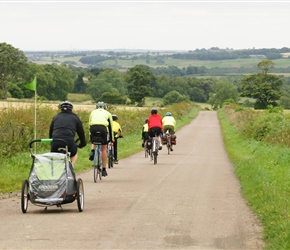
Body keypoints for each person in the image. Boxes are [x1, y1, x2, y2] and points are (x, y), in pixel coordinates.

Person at [49, 101, 87, 167]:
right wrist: (82, 143)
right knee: (74, 154)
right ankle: (71, 167)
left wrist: (51, 142)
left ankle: (55, 171)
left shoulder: (56, 117)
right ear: (71, 109)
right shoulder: (75, 117)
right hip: (69, 141)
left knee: (54, 156)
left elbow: (51, 132)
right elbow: (81, 133)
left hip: (56, 141)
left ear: (61, 109)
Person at [89, 101, 114, 177]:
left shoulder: (92, 112)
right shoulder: (108, 113)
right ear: (105, 107)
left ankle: (92, 151)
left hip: (93, 128)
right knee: (104, 148)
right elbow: (110, 127)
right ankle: (103, 169)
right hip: (103, 128)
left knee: (94, 140)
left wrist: (90, 136)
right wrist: (111, 138)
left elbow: (89, 124)